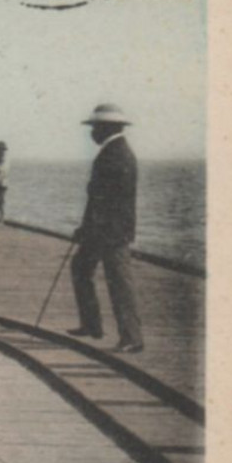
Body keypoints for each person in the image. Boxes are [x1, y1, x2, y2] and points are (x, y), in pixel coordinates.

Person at [69, 105, 144, 353]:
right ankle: (91, 326)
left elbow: (109, 201)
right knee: (80, 268)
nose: (92, 133)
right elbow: (98, 198)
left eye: (95, 128)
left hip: (111, 232)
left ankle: (132, 338)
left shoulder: (117, 154)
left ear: (107, 128)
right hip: (100, 229)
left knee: (120, 283)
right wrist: (86, 226)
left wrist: (89, 227)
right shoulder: (112, 151)